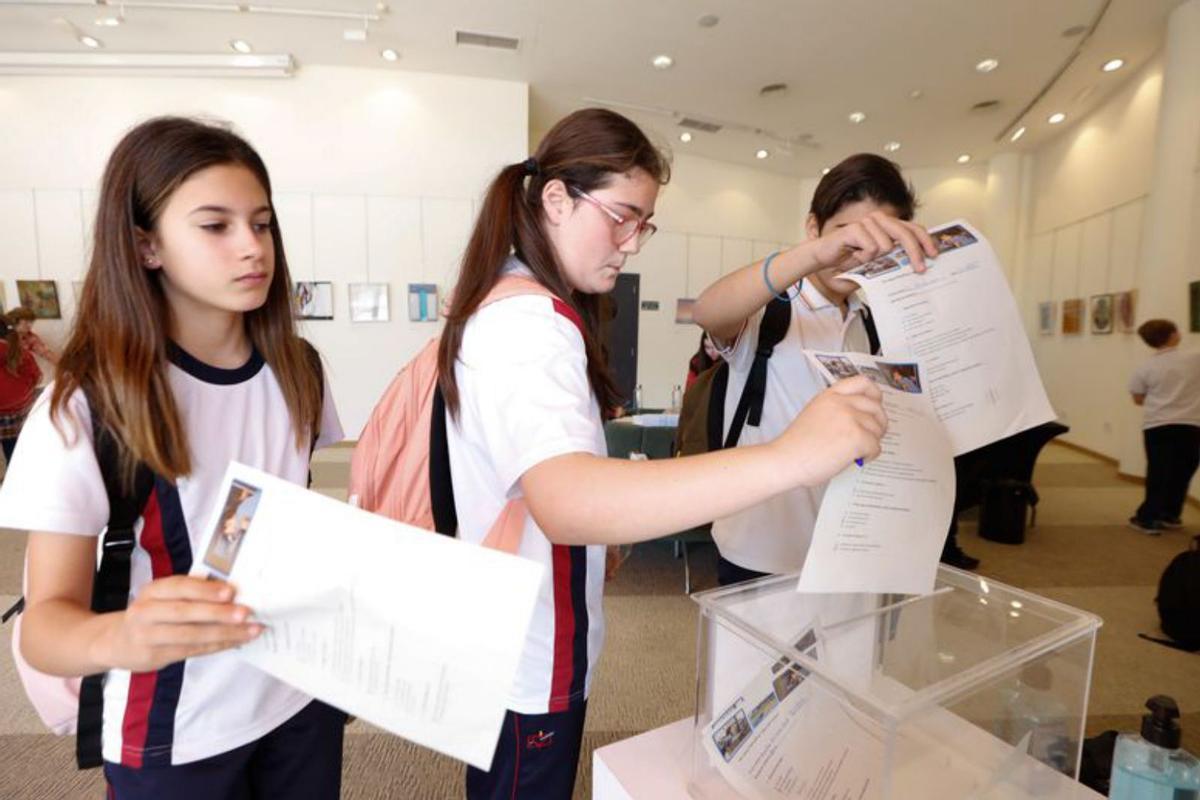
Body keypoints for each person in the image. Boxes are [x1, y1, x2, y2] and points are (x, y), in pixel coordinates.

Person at [438, 109, 894, 799]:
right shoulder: (528, 322)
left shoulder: (523, 305)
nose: (631, 243)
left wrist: (602, 536)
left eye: (642, 223)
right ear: (556, 200)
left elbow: (549, 491)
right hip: (531, 651)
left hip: (525, 631)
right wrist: (794, 455)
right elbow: (568, 504)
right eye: (621, 216)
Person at [0, 117, 347, 798]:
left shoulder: (298, 370)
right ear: (146, 245)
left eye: (263, 223)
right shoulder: (86, 407)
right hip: (175, 730)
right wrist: (123, 636)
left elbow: (281, 516)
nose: (252, 247)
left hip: (300, 697)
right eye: (215, 226)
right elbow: (44, 627)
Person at [692, 153, 968, 585]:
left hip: (849, 546)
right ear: (813, 228)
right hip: (762, 546)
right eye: (847, 234)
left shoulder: (873, 321)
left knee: (846, 654)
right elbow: (708, 310)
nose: (858, 254)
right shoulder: (772, 309)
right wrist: (814, 255)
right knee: (755, 655)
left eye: (878, 240)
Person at [1128, 318, 1200, 533]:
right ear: (1172, 335)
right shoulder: (1194, 358)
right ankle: (1170, 513)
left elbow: (1138, 398)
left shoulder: (1145, 367)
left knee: (1159, 472)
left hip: (1157, 425)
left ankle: (1148, 517)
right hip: (1191, 424)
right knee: (1184, 470)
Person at [0, 313, 42, 462]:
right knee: (14, 451)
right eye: (26, 323)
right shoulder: (21, 352)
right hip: (17, 411)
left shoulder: (30, 339)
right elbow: (37, 377)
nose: (29, 326)